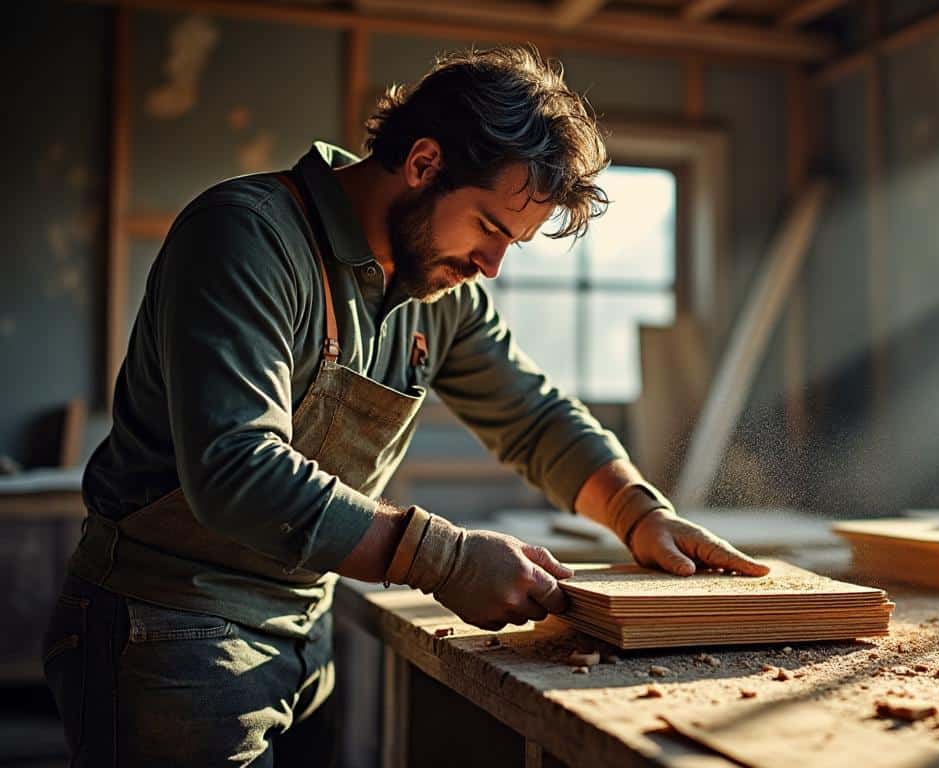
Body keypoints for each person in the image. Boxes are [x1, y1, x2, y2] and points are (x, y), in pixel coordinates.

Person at [43, 45, 768, 767]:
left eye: (511, 244)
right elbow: (236, 467)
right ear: (423, 163)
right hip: (167, 629)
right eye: (488, 227)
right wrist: (444, 560)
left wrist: (641, 515)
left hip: (305, 625)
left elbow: (534, 417)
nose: (491, 265)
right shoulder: (248, 237)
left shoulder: (441, 291)